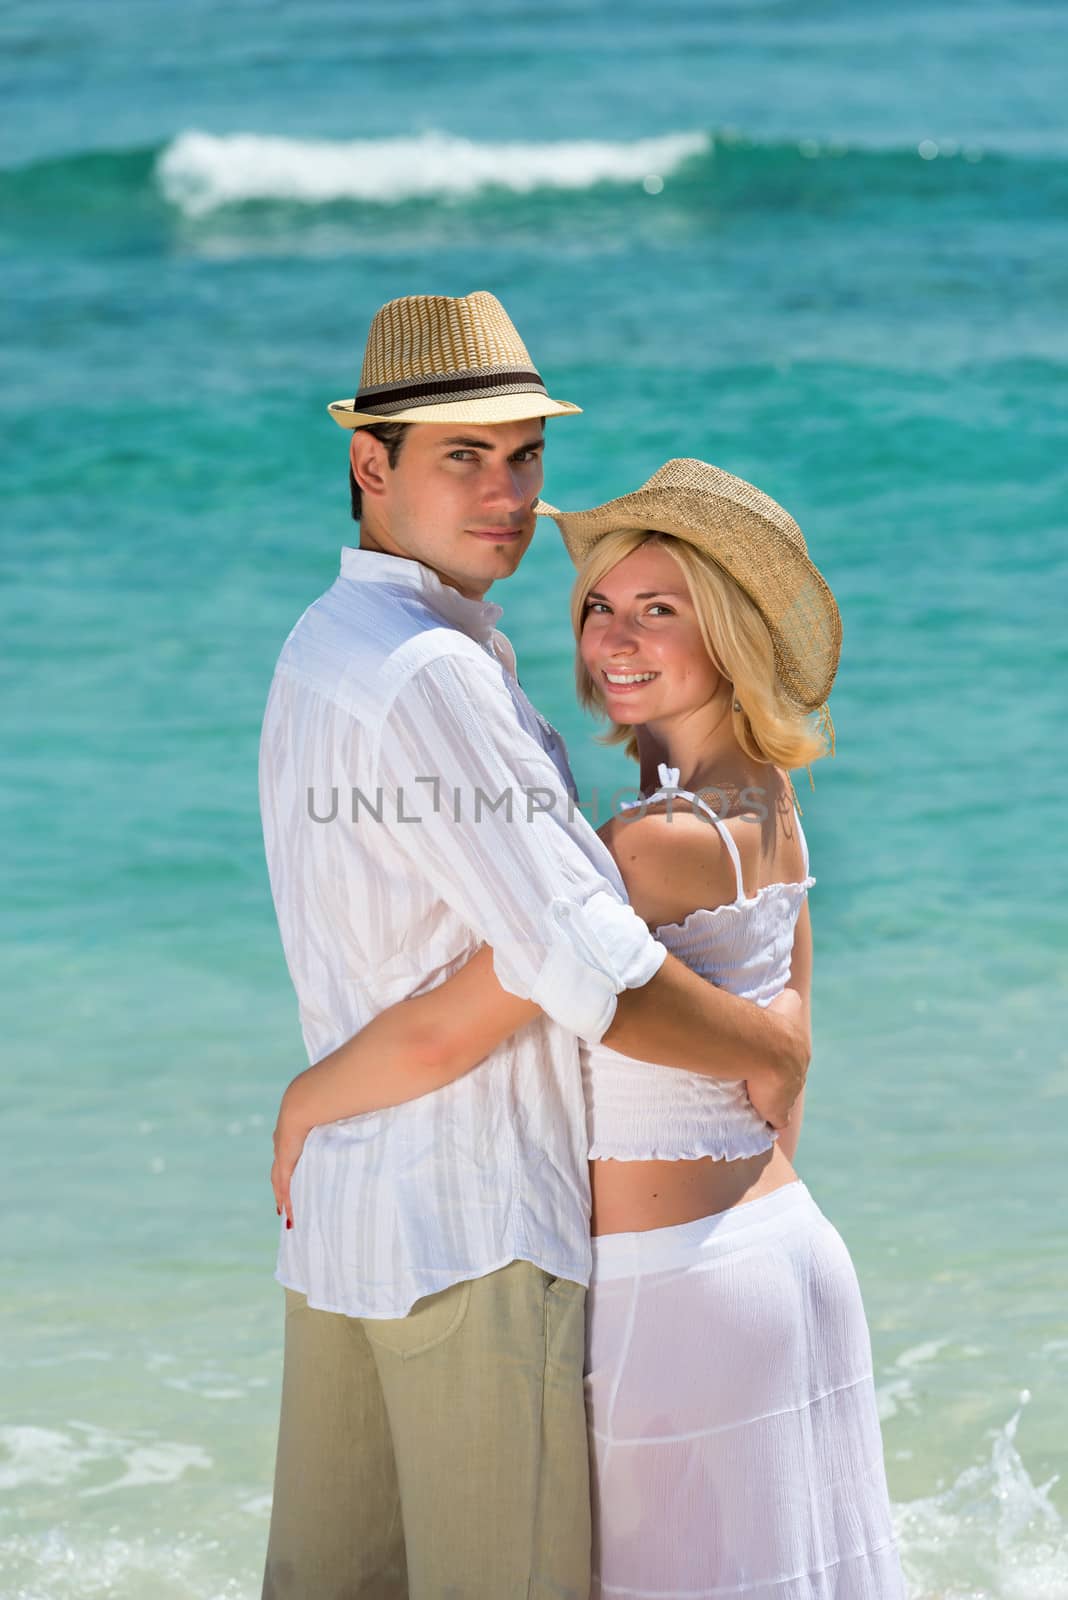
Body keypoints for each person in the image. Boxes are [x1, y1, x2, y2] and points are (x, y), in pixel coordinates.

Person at [271, 458, 904, 1597]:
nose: (616, 638)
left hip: (677, 1291)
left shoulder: (646, 849)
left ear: (727, 634)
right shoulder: (768, 794)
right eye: (601, 608)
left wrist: (305, 1099)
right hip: (782, 1254)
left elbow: (451, 1028)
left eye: (660, 611)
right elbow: (786, 1050)